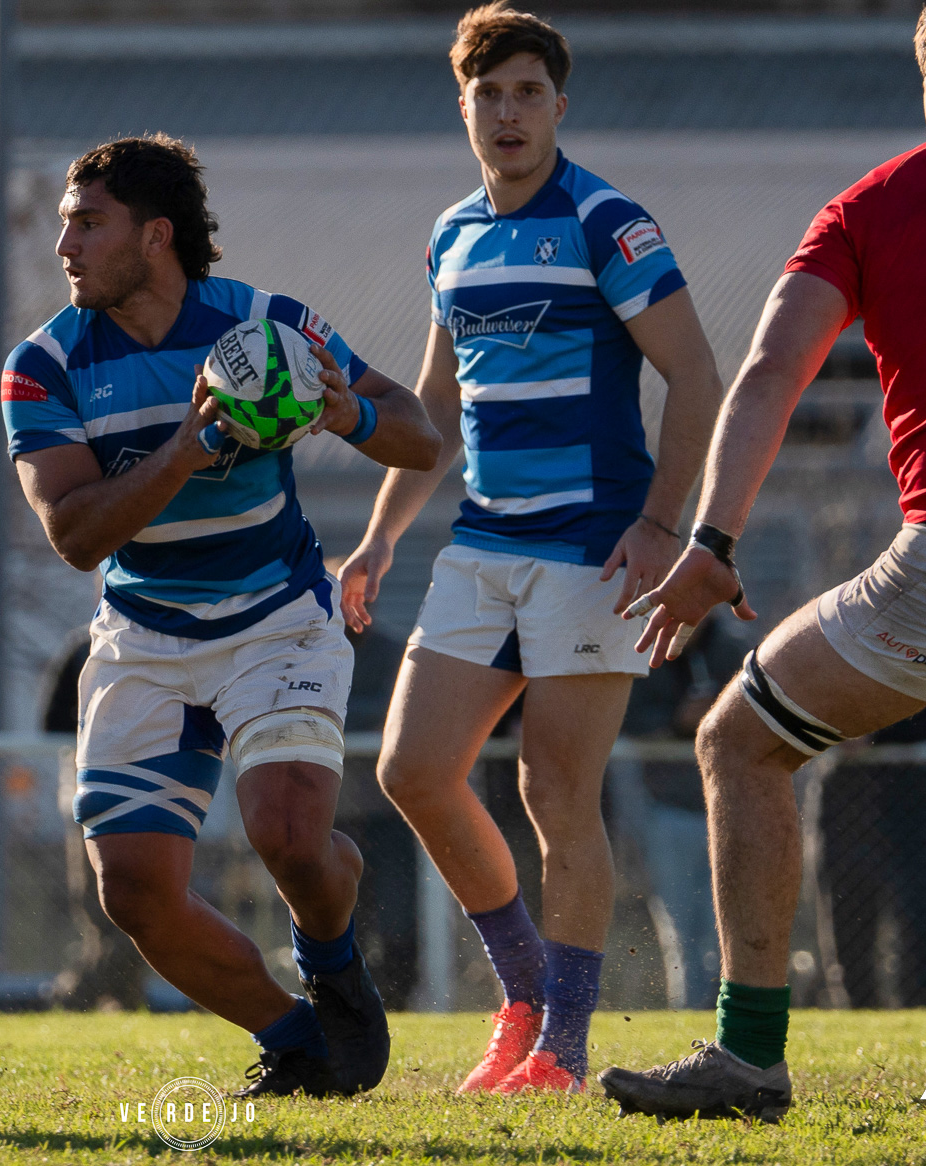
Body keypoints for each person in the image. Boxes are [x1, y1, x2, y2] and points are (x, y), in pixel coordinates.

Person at [603, 0, 926, 1122]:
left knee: (739, 740)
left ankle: (751, 1058)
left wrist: (713, 542)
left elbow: (771, 370)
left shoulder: (874, 203)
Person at [336, 3, 722, 1093]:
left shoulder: (609, 220)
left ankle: (565, 1043)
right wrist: (373, 542)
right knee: (411, 768)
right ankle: (523, 990)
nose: (507, 113)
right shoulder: (452, 235)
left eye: (527, 92)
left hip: (590, 551)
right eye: (487, 95)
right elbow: (434, 412)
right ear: (463, 108)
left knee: (557, 793)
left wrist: (661, 524)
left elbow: (697, 373)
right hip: (480, 543)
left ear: (560, 102)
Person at [3, 135, 442, 1096]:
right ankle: (297, 1040)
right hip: (143, 639)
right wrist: (184, 451)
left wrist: (343, 416)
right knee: (135, 895)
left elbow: (421, 435)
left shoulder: (266, 324)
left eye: (88, 222)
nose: (65, 245)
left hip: (276, 618)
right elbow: (74, 535)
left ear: (154, 236)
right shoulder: (42, 367)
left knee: (288, 836)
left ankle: (333, 967)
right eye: (65, 225)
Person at [622, 615, 745, 1011]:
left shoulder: (733, 651)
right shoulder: (647, 655)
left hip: (729, 811)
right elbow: (631, 722)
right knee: (680, 925)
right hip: (668, 811)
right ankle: (687, 1013)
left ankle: (726, 1015)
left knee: (725, 928)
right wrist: (678, 722)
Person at [816, 704, 926, 1010]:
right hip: (848, 796)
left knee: (917, 914)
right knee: (850, 913)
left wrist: (875, 732)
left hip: (912, 797)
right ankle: (858, 1009)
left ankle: (922, 1011)